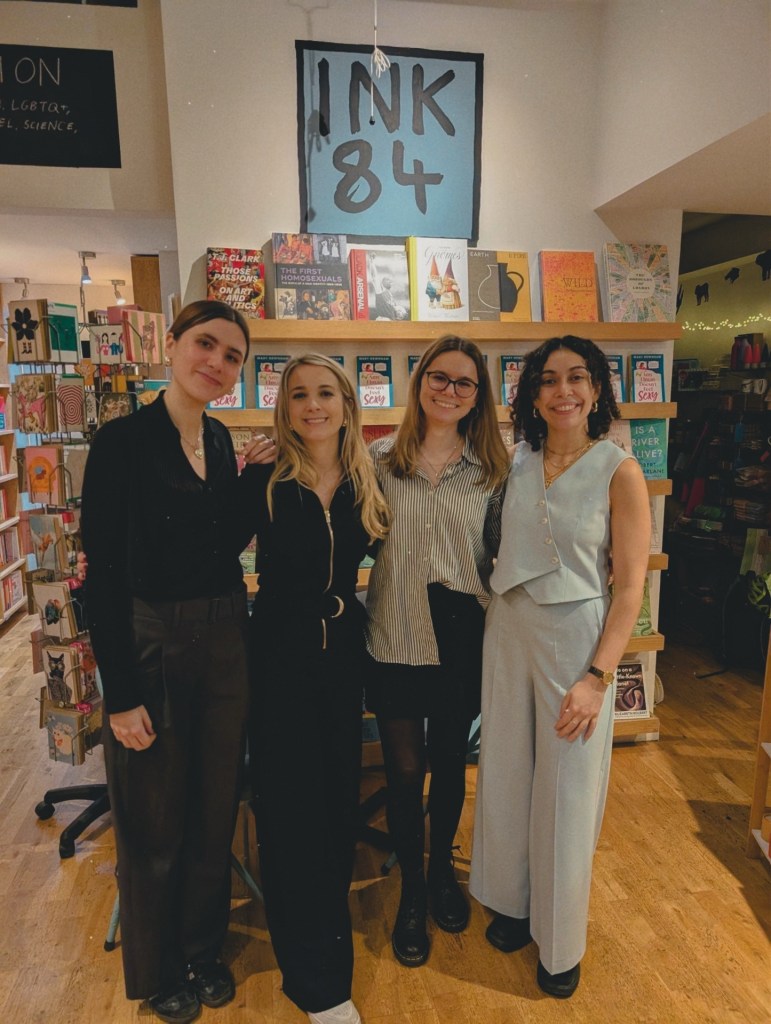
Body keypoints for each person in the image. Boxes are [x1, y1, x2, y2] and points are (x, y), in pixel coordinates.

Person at [81, 299, 274, 1024]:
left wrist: (252, 480)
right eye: (205, 344)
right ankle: (159, 966)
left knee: (214, 807)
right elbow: (101, 575)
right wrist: (119, 692)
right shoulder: (122, 442)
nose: (216, 363)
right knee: (153, 817)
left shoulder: (219, 441)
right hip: (151, 641)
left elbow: (218, 547)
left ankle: (201, 949)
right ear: (171, 345)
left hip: (224, 637)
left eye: (232, 356)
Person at [469, 335, 650, 999]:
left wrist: (597, 677)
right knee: (507, 775)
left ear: (596, 389)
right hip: (507, 631)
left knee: (567, 791)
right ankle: (515, 903)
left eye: (577, 377)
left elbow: (630, 588)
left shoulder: (618, 469)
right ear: (532, 394)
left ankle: (561, 940)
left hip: (575, 640)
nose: (563, 391)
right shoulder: (514, 460)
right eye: (548, 379)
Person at [240, 354, 389, 1024]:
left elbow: (402, 552)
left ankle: (325, 940)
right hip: (278, 653)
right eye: (298, 395)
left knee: (334, 804)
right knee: (289, 811)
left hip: (342, 655)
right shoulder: (266, 475)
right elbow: (211, 547)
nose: (312, 406)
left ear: (347, 404)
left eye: (325, 393)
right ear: (285, 407)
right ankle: (315, 982)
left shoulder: (366, 479)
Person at [364, 335, 509, 967]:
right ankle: (412, 892)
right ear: (420, 381)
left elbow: (503, 553)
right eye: (439, 377)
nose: (449, 391)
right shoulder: (377, 460)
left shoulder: (492, 472)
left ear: (478, 396)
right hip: (395, 630)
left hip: (460, 631)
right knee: (402, 770)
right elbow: (359, 537)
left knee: (450, 762)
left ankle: (442, 870)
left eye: (464, 382)